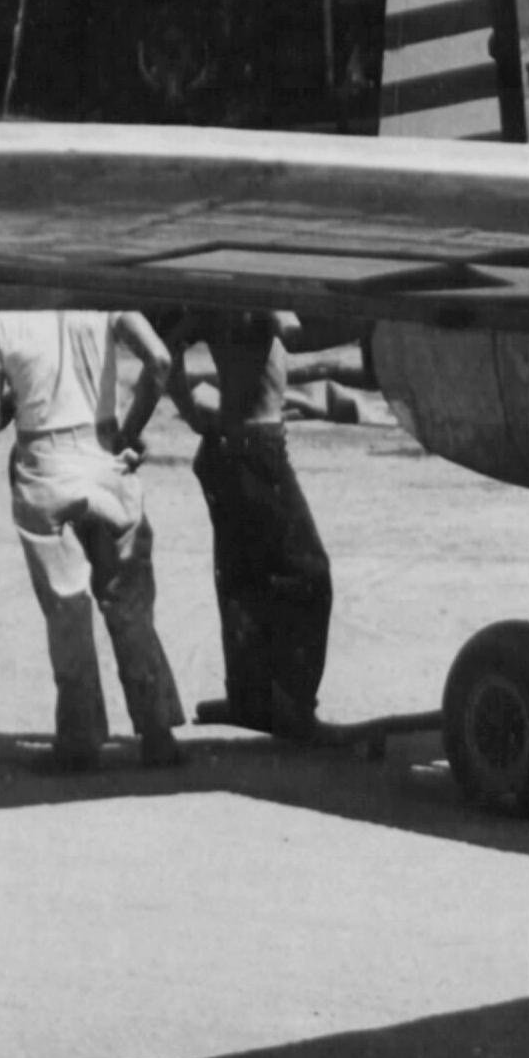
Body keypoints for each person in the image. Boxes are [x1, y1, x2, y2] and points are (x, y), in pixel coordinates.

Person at [0, 306, 185, 770]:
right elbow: (160, 361)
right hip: (105, 457)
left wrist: (20, 394)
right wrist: (130, 431)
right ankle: (157, 731)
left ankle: (80, 739)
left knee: (67, 607)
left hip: (43, 466)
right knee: (128, 602)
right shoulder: (103, 297)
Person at [167, 309, 336, 740]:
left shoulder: (219, 295)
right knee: (310, 573)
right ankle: (295, 705)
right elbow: (294, 335)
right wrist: (372, 317)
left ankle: (249, 697)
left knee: (244, 578)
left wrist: (189, 409)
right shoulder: (259, 296)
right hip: (257, 447)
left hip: (231, 444)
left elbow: (172, 340)